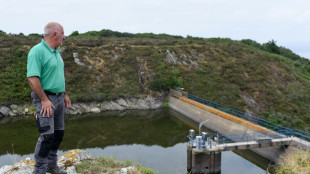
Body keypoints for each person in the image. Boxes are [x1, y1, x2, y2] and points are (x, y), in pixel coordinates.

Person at [27, 22, 71, 174]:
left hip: (59, 98)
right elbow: (32, 78)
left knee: (58, 134)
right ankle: (39, 170)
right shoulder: (37, 51)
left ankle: (52, 166)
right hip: (45, 99)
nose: (64, 36)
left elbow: (57, 75)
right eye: (63, 33)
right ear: (55, 34)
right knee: (47, 136)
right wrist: (44, 100)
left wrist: (64, 94)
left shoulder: (56, 51)